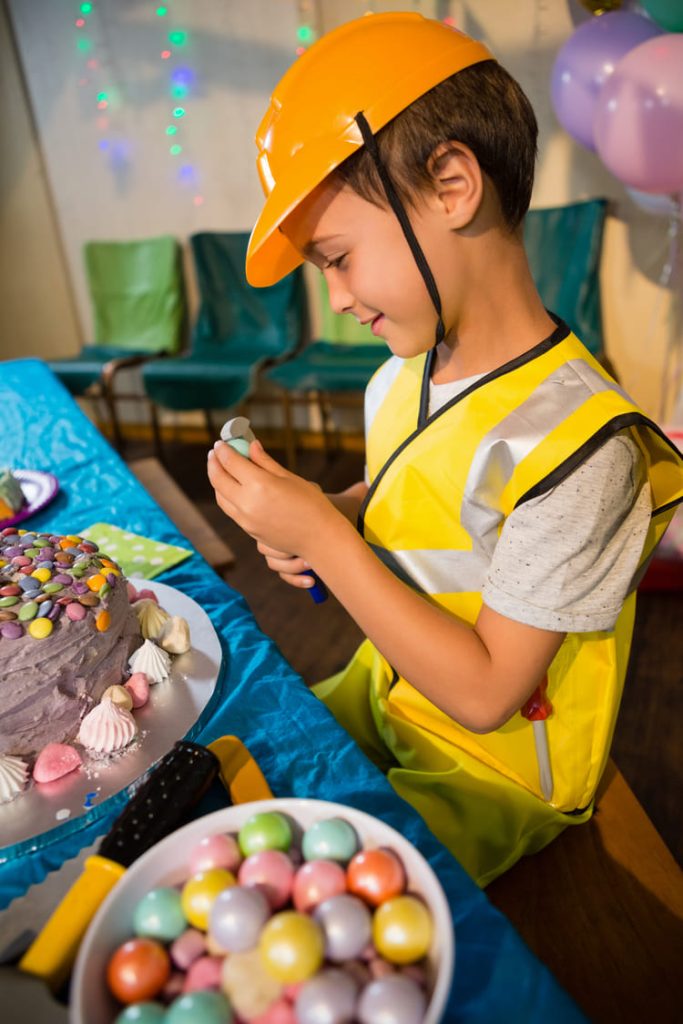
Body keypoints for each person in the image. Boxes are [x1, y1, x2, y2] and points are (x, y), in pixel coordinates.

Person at [208, 12, 683, 886]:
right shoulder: (398, 375)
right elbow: (422, 497)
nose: (339, 296)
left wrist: (325, 538)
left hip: (493, 770)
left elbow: (485, 692)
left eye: (340, 257)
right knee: (225, 770)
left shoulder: (582, 452)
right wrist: (343, 511)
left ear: (453, 184)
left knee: (295, 883)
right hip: (391, 693)